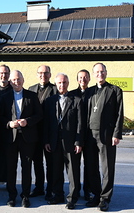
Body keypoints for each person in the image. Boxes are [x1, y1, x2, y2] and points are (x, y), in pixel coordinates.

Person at [0, 70, 43, 208]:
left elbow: (39, 115)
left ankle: (25, 196)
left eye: (18, 79)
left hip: (27, 138)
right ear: (10, 82)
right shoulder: (5, 97)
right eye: (13, 80)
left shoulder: (32, 96)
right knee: (10, 168)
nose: (16, 82)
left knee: (26, 168)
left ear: (23, 80)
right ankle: (11, 196)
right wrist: (9, 123)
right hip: (11, 138)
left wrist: (27, 121)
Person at [84, 63, 123, 212]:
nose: (99, 74)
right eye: (97, 72)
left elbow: (120, 113)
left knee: (107, 168)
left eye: (102, 71)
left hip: (106, 136)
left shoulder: (115, 91)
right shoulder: (90, 92)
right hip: (90, 135)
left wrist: (116, 134)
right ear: (93, 74)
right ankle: (96, 194)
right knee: (91, 167)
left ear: (106, 73)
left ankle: (105, 198)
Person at [44, 73, 85, 210]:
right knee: (56, 170)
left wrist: (78, 142)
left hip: (71, 142)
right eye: (59, 83)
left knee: (73, 171)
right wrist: (47, 141)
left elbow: (80, 123)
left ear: (68, 83)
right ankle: (57, 195)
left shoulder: (77, 100)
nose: (62, 85)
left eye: (64, 82)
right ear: (56, 84)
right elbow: (47, 123)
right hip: (54, 141)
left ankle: (72, 198)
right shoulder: (50, 101)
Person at [28, 65, 57, 200]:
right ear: (37, 74)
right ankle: (39, 187)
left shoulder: (55, 89)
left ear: (50, 75)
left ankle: (51, 188)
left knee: (51, 163)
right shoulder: (31, 89)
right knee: (37, 162)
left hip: (50, 132)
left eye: (45, 73)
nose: (43, 75)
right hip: (34, 132)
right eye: (40, 73)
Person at [69, 69, 91, 201]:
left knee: (89, 164)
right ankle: (75, 191)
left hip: (89, 135)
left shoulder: (93, 93)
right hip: (75, 135)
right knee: (74, 166)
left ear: (89, 79)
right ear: (77, 80)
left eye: (85, 77)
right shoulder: (71, 95)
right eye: (80, 77)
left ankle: (88, 191)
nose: (82, 80)